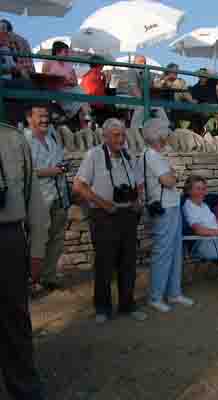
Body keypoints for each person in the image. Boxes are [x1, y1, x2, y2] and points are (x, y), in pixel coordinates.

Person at [73, 118, 148, 324]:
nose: (121, 139)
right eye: (116, 135)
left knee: (128, 263)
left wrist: (138, 200)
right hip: (104, 216)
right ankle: (102, 308)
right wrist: (102, 203)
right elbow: (79, 186)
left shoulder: (128, 155)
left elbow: (139, 183)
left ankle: (127, 305)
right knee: (105, 264)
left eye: (123, 135)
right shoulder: (94, 155)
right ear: (104, 136)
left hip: (128, 215)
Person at [0, 122, 49, 400]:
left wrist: (38, 249)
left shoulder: (12, 139)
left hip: (7, 238)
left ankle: (25, 390)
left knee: (15, 320)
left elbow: (34, 200)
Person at [141, 119, 194, 313]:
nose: (167, 135)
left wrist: (172, 176)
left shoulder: (156, 155)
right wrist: (174, 176)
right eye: (165, 132)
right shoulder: (153, 156)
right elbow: (169, 180)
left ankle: (174, 292)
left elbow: (169, 178)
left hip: (170, 206)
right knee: (163, 253)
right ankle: (156, 296)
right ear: (159, 135)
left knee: (174, 251)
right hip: (164, 208)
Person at [23, 104, 69, 291]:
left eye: (46, 116)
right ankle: (30, 282)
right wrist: (52, 171)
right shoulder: (24, 141)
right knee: (37, 242)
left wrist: (62, 168)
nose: (45, 119)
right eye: (40, 116)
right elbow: (23, 171)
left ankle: (48, 277)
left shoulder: (51, 137)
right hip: (38, 199)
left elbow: (59, 163)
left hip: (58, 196)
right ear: (29, 119)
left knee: (56, 239)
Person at [41, 40, 91, 127]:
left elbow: (75, 81)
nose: (67, 54)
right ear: (57, 52)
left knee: (81, 96)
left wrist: (67, 81)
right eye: (65, 52)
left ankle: (85, 128)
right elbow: (44, 80)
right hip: (58, 90)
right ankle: (87, 125)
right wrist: (62, 81)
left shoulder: (68, 63)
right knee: (82, 104)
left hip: (70, 89)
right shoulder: (48, 62)